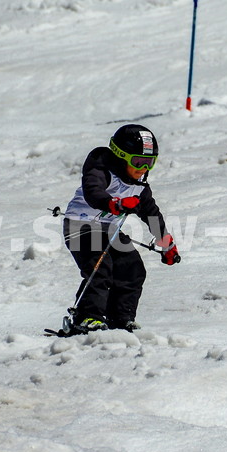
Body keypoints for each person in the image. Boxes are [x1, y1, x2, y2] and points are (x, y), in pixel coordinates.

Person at [60, 124, 180, 334]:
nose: (143, 169)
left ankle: (121, 318)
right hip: (81, 227)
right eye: (138, 162)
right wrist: (114, 204)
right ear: (121, 156)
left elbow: (151, 214)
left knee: (132, 269)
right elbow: (93, 191)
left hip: (108, 230)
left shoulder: (140, 186)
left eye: (150, 163)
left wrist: (165, 243)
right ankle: (87, 317)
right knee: (100, 268)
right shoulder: (101, 168)